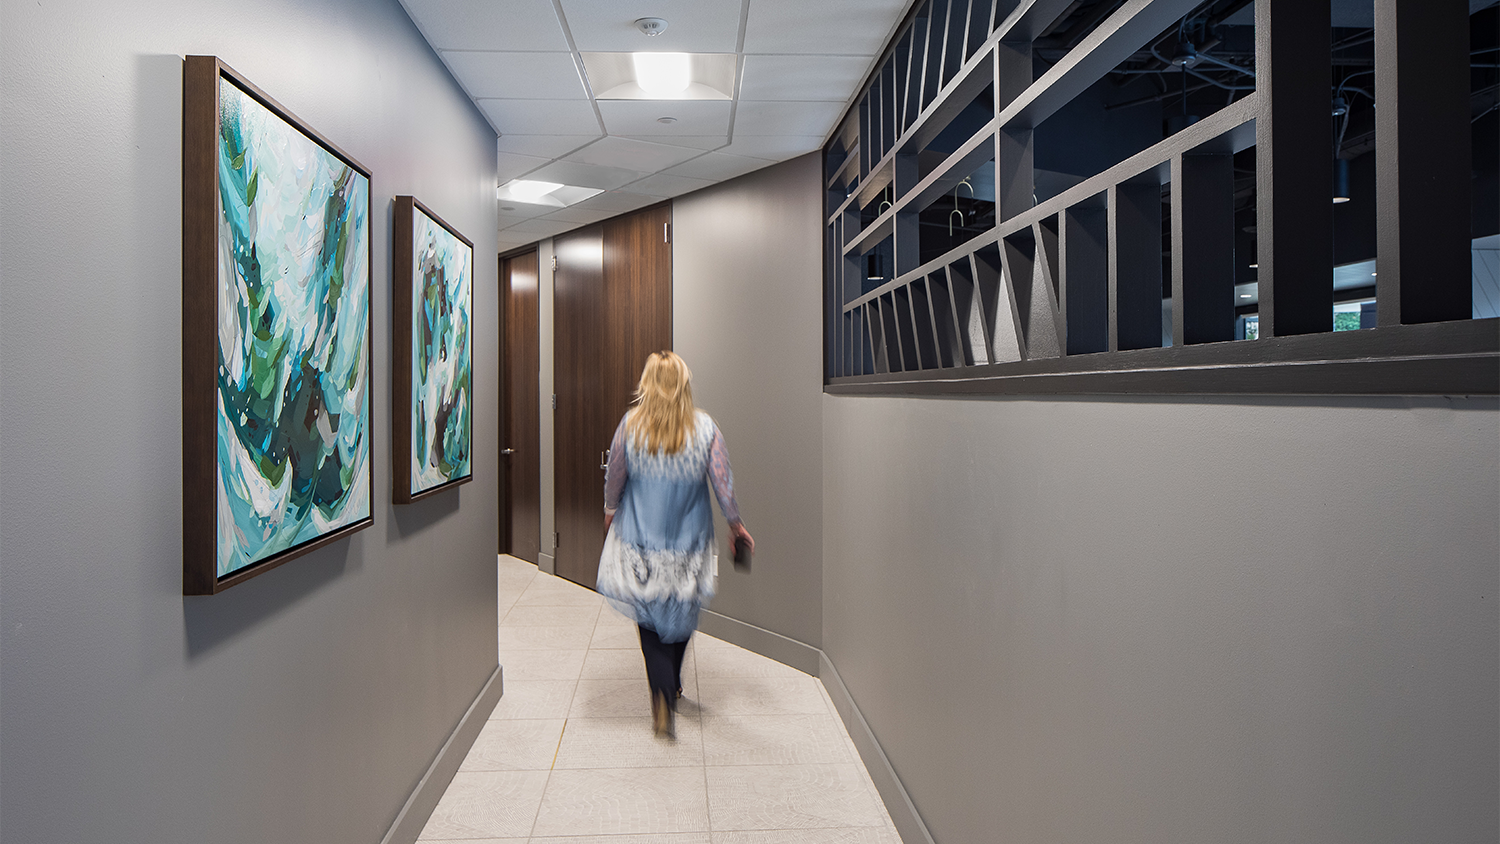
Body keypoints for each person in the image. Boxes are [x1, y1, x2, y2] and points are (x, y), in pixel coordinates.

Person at [597, 351, 753, 738]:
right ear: (684, 384)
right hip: (688, 543)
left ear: (646, 384)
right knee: (683, 612)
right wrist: (736, 526)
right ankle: (673, 683)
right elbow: (723, 485)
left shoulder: (630, 426)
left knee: (648, 615)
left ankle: (662, 692)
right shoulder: (705, 429)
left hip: (640, 539)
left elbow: (615, 474)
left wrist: (609, 509)